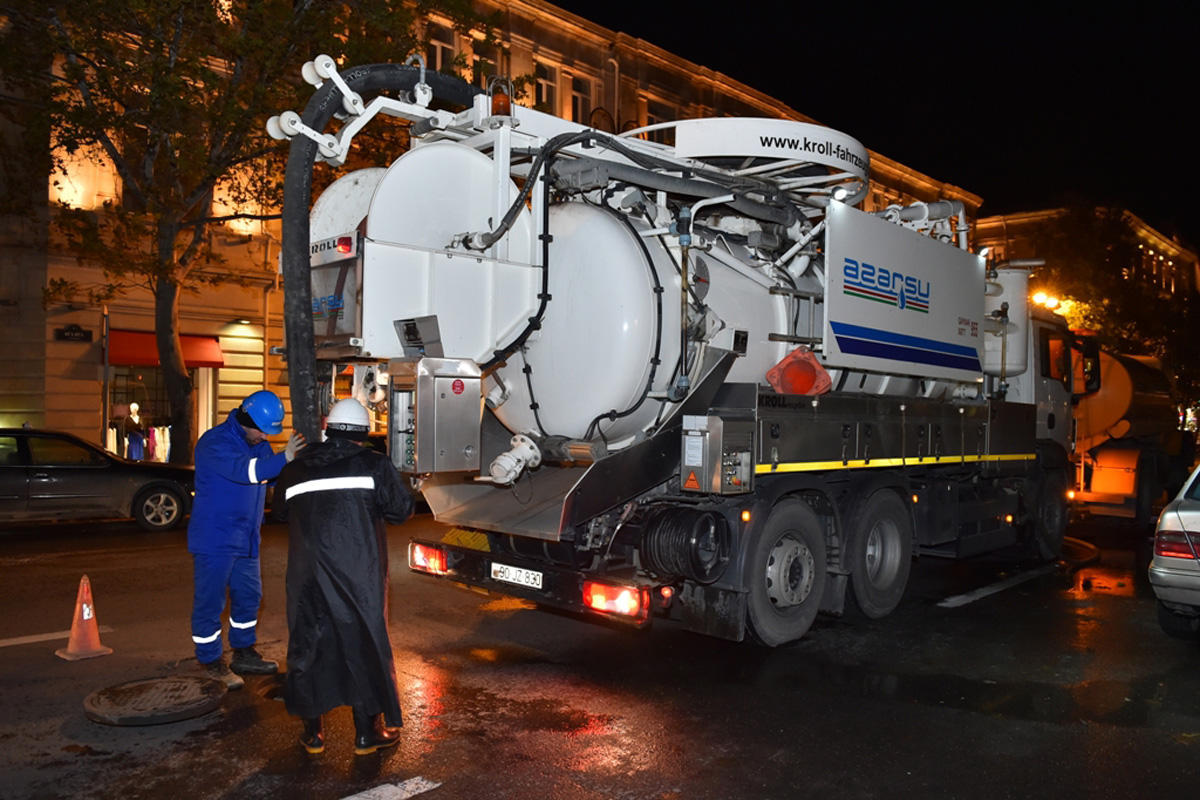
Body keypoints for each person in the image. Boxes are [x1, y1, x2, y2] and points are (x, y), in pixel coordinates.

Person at [271, 398, 414, 755]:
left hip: (306, 576)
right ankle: (367, 735)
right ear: (364, 434)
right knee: (363, 643)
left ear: (327, 428)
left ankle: (313, 735)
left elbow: (279, 513)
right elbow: (400, 512)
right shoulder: (374, 465)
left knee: (307, 645)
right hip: (357, 573)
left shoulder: (296, 467)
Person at [188, 389, 306, 689]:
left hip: (246, 537)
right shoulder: (214, 443)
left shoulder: (257, 443)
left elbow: (273, 476)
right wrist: (285, 457)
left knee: (249, 597)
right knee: (210, 602)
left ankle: (243, 652)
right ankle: (210, 660)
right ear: (246, 419)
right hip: (214, 538)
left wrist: (300, 466)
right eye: (262, 431)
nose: (265, 438)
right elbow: (249, 472)